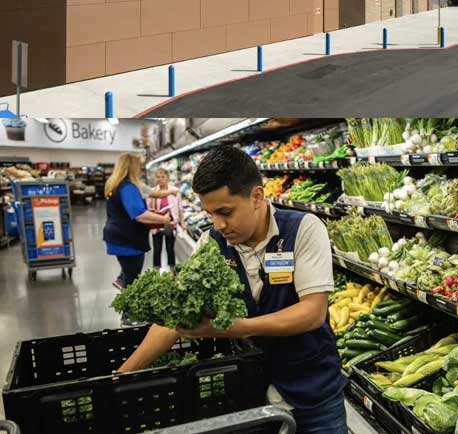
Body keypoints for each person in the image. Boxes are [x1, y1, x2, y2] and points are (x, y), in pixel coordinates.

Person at [117, 145, 345, 434]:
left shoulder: (303, 229)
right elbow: (177, 313)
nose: (218, 224)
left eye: (225, 212)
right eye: (210, 213)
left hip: (314, 392)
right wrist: (122, 375)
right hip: (251, 396)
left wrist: (231, 327)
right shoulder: (212, 242)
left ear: (257, 197)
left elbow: (312, 313)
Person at [103, 153, 173, 292]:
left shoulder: (114, 185)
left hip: (116, 235)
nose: (141, 170)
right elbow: (139, 214)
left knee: (128, 276)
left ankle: (124, 290)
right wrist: (163, 219)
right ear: (132, 167)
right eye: (139, 167)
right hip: (128, 239)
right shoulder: (129, 187)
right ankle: (128, 312)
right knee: (132, 283)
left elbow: (124, 210)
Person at [148, 169, 182, 271]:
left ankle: (172, 270)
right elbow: (148, 207)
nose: (160, 179)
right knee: (157, 249)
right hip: (157, 224)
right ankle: (156, 271)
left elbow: (180, 208)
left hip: (170, 224)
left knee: (170, 248)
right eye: (158, 177)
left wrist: (182, 223)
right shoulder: (153, 192)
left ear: (167, 178)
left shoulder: (175, 191)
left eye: (163, 176)